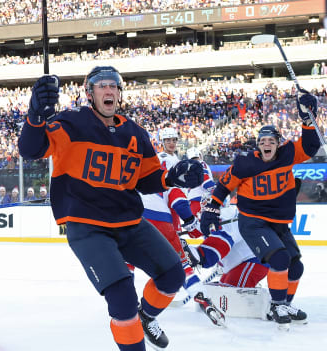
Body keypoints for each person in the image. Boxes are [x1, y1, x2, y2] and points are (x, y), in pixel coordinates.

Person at [18, 67, 203, 350]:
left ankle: (147, 317)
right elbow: (31, 149)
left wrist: (170, 177)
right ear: (89, 93)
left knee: (174, 274)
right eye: (101, 85)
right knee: (122, 298)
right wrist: (35, 116)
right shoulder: (70, 122)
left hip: (129, 222)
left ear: (119, 93)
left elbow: (147, 178)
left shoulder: (135, 132)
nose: (109, 91)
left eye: (114, 86)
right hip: (87, 225)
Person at [200, 90, 320, 330]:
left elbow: (311, 146)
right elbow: (224, 185)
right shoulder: (246, 163)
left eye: (271, 141)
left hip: (278, 223)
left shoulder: (287, 154)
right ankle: (277, 305)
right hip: (253, 221)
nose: (267, 144)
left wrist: (309, 118)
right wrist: (210, 210)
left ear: (278, 144)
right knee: (279, 258)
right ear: (258, 145)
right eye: (263, 141)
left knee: (296, 267)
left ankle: (284, 303)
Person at [140, 140, 225, 327]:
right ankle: (199, 294)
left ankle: (124, 309)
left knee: (128, 262)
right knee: (180, 264)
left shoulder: (145, 161)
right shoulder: (172, 163)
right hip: (160, 217)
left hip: (131, 214)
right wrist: (189, 220)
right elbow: (175, 195)